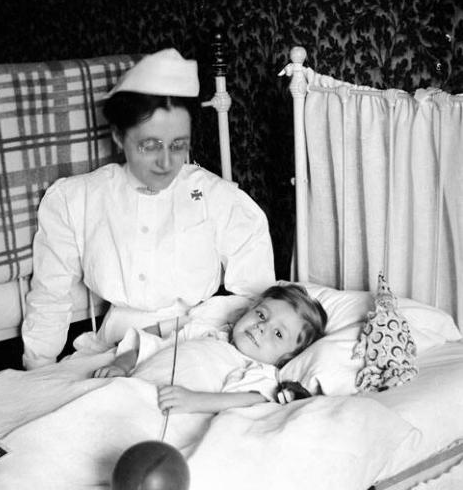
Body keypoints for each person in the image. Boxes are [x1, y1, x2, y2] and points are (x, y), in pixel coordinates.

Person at [22, 49, 275, 370]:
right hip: (111, 350)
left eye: (178, 144)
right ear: (119, 136)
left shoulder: (218, 198)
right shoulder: (76, 200)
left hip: (199, 344)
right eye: (149, 145)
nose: (166, 162)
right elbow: (50, 295)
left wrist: (195, 330)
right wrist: (38, 370)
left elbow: (260, 299)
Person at [93, 284, 328, 411]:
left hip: (178, 410)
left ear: (286, 358)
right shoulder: (205, 333)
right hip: (136, 387)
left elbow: (252, 400)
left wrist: (196, 401)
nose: (261, 327)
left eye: (278, 334)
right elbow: (146, 347)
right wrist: (120, 365)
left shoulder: (261, 370)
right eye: (261, 315)